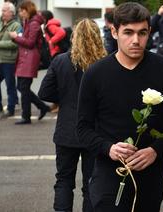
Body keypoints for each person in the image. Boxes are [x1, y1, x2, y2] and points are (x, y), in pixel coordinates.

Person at [77, 2, 163, 212]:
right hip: (108, 173)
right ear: (114, 32)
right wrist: (108, 148)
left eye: (142, 33)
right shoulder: (95, 74)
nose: (136, 40)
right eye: (128, 32)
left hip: (151, 174)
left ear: (149, 32)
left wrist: (156, 150)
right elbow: (82, 128)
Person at [38, 19, 106, 212]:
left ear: (74, 37)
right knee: (92, 183)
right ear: (97, 37)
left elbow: (44, 92)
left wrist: (65, 98)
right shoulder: (105, 63)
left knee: (64, 181)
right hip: (95, 130)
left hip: (67, 129)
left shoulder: (61, 61)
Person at [9, 0, 50, 125]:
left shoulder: (34, 23)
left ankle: (26, 116)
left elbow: (30, 43)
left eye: (22, 11)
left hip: (30, 58)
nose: (21, 13)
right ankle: (42, 107)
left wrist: (16, 37)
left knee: (23, 87)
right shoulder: (30, 21)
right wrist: (18, 37)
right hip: (26, 58)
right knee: (22, 87)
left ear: (28, 10)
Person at [0, 1, 20, 119]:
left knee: (10, 85)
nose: (2, 13)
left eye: (4, 11)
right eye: (2, 10)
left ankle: (11, 108)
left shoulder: (16, 26)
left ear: (11, 13)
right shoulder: (0, 23)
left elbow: (15, 43)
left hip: (9, 60)